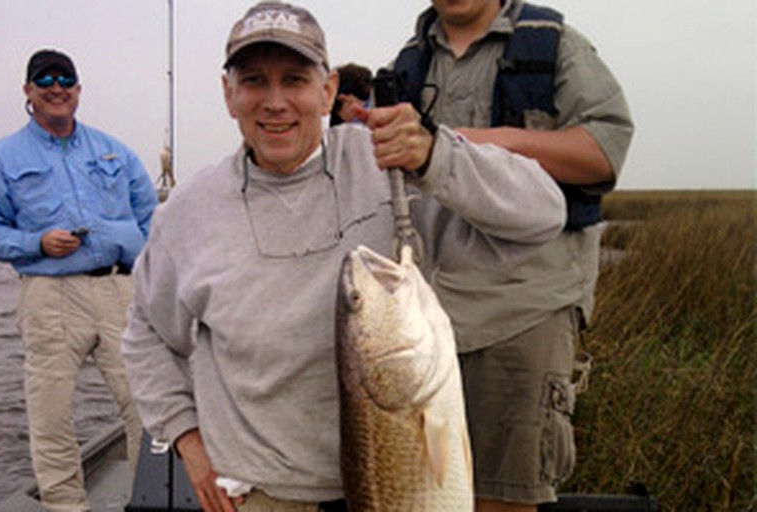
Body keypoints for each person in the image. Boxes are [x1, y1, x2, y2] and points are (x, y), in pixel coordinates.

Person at [121, 2, 567, 511]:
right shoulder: (187, 212)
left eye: (294, 80)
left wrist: (434, 154)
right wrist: (188, 441)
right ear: (229, 94)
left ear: (328, 89)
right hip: (260, 492)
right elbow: (146, 335)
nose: (275, 102)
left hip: (398, 483)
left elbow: (543, 215)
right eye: (253, 81)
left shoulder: (389, 167)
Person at [390, 1, 635, 510]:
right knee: (415, 493)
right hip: (428, 324)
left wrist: (473, 143)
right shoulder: (409, 62)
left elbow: (604, 152)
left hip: (524, 312)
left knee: (504, 499)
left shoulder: (557, 47)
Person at [0, 49, 157, 511]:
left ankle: (149, 494)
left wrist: (142, 269)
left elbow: (152, 217)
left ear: (78, 90)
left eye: (66, 79)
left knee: (147, 399)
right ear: (28, 92)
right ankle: (65, 506)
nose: (56, 87)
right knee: (51, 413)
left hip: (118, 290)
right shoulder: (1, 158)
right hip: (48, 296)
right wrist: (35, 244)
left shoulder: (115, 150)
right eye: (44, 79)